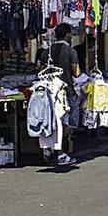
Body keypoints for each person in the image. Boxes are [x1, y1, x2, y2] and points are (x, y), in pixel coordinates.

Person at [40, 23, 81, 166]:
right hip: (66, 92)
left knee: (51, 122)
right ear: (67, 34)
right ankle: (60, 152)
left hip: (48, 92)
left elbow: (39, 72)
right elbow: (76, 73)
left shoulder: (46, 53)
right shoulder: (71, 52)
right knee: (66, 124)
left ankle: (50, 147)